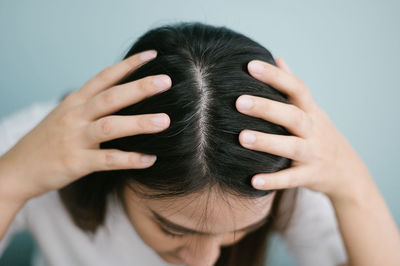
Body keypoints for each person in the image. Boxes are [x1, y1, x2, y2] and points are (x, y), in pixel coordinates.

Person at [0, 22, 398, 266]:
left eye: (236, 232)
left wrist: (353, 185)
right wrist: (12, 179)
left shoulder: (290, 167)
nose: (206, 261)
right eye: (172, 229)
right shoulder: (45, 147)